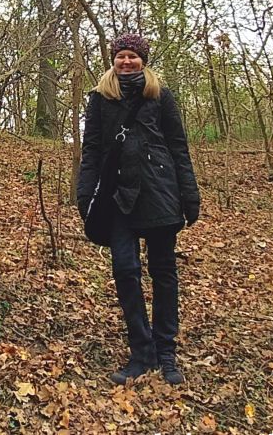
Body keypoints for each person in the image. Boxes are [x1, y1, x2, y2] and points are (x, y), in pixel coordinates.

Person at [77, 33, 200, 386]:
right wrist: (84, 197)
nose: (126, 61)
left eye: (132, 56)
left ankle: (166, 352)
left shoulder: (161, 96)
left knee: (163, 273)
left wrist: (189, 196)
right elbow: (92, 151)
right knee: (126, 270)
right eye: (121, 56)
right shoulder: (99, 99)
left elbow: (178, 148)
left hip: (160, 194)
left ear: (142, 60)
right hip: (118, 198)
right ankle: (140, 351)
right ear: (113, 60)